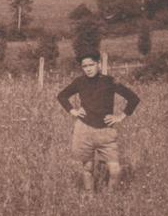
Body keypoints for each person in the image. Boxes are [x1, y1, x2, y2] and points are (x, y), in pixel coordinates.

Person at [56, 52, 140, 193]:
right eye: (85, 66)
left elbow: (133, 98)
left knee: (115, 170)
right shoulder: (79, 82)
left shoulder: (109, 81)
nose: (88, 69)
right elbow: (62, 96)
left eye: (91, 65)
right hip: (83, 129)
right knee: (88, 167)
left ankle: (110, 199)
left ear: (99, 64)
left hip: (106, 132)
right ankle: (90, 197)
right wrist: (73, 111)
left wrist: (120, 117)